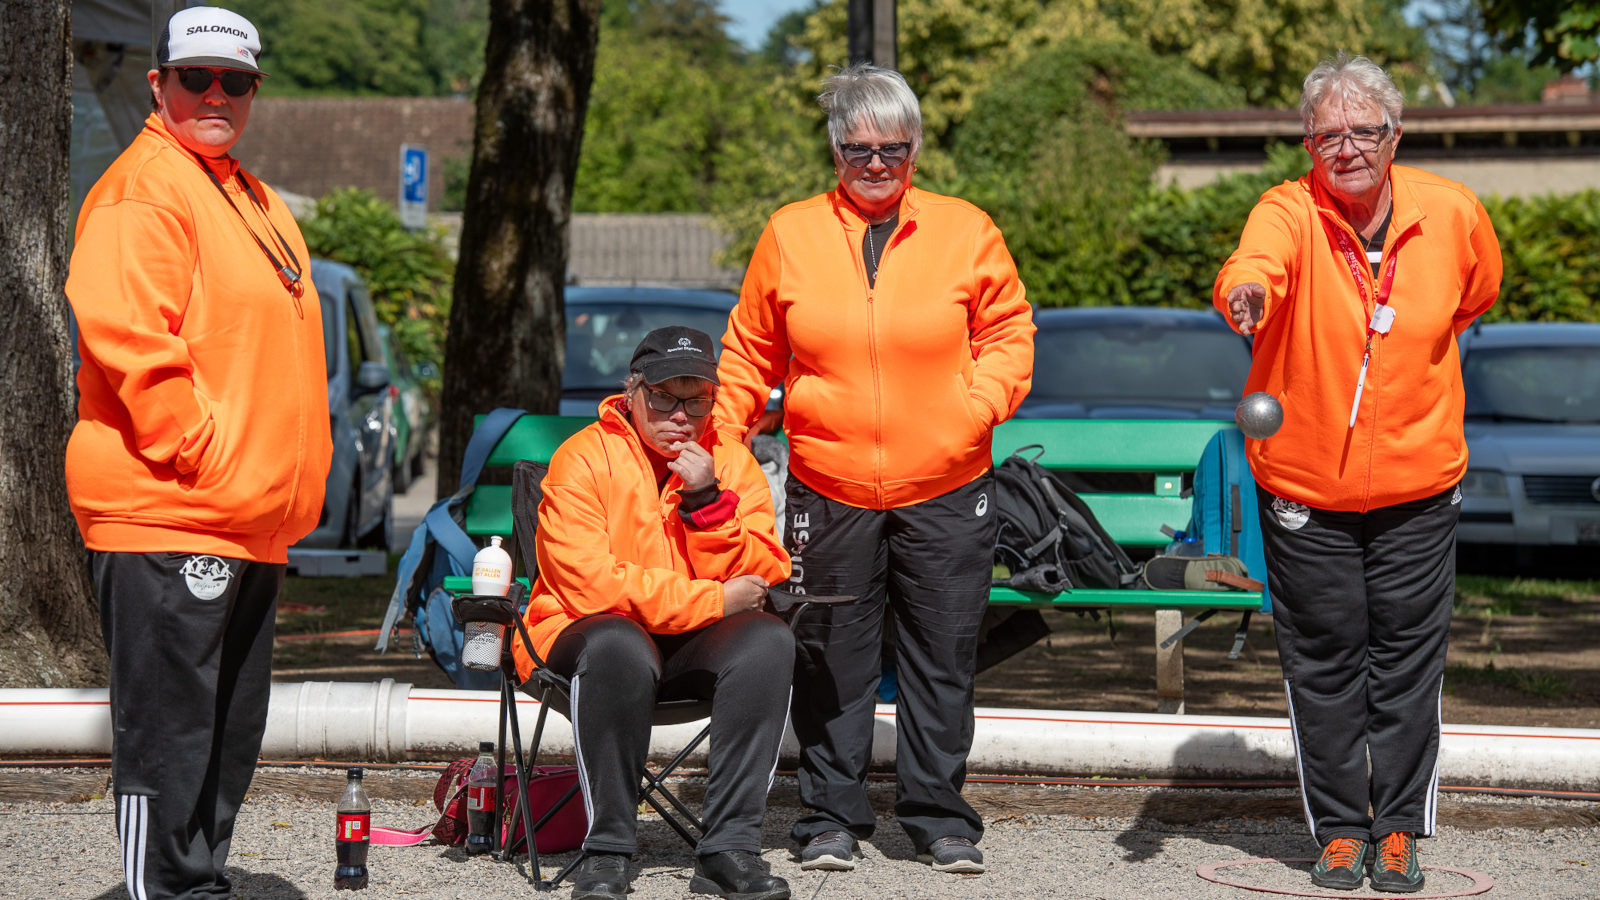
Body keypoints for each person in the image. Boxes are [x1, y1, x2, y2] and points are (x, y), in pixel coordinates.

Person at [714, 63, 1035, 876]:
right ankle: (828, 817)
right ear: (834, 151)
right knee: (830, 655)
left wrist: (974, 408)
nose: (877, 164)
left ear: (916, 146)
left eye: (893, 148)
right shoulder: (790, 232)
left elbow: (1011, 334)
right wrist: (724, 448)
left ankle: (938, 817)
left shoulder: (967, 230)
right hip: (829, 484)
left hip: (949, 482)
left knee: (942, 653)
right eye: (859, 151)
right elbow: (748, 355)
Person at [1215, 52, 1501, 894]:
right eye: (1326, 134)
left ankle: (1401, 828)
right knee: (1325, 662)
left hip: (1420, 484)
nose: (1344, 148)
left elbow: (1473, 294)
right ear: (1308, 143)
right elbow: (1253, 264)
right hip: (1307, 487)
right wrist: (1248, 295)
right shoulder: (1287, 210)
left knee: (1410, 663)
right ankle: (1341, 831)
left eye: (1362, 131)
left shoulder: (1450, 212)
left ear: (1394, 135)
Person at [64, 8, 332, 900]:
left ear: (256, 88)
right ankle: (165, 891)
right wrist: (203, 453)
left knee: (224, 737)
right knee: (170, 739)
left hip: (245, 523)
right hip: (170, 509)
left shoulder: (244, 193)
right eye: (197, 78)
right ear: (159, 84)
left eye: (237, 81)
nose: (216, 95)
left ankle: (197, 884)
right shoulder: (149, 187)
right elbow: (130, 337)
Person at [511, 327, 795, 900]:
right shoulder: (583, 457)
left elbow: (761, 574)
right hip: (585, 639)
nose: (681, 415)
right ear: (632, 392)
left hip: (689, 644)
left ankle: (729, 849)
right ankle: (609, 848)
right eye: (665, 396)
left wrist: (708, 503)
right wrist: (712, 600)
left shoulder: (732, 463)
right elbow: (592, 587)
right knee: (618, 642)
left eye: (697, 399)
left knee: (768, 642)